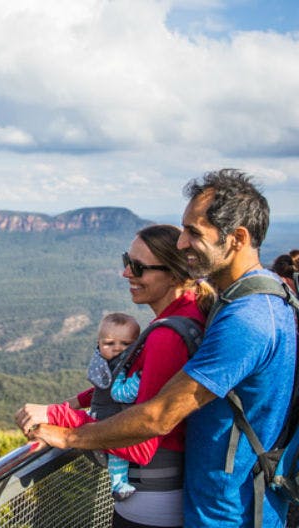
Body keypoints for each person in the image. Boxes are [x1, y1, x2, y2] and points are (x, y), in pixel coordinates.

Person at [17, 169, 296, 528]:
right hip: (246, 501)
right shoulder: (269, 294)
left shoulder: (246, 320)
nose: (182, 243)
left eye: (194, 232)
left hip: (228, 512)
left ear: (237, 238)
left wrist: (69, 434)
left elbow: (158, 416)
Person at [17, 223, 213, 527]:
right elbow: (138, 393)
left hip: (147, 500)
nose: (126, 273)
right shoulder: (190, 315)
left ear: (174, 273)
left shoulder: (167, 337)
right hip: (167, 492)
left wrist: (59, 418)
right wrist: (70, 404)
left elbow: (141, 440)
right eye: (127, 261)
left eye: (138, 267)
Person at [68, 312, 142, 500]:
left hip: (106, 415)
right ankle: (118, 485)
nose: (117, 349)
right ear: (99, 344)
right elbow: (120, 393)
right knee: (118, 457)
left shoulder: (105, 363)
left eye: (126, 344)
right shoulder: (114, 368)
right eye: (109, 344)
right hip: (106, 420)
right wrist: (139, 379)